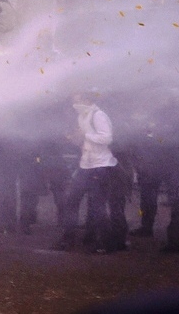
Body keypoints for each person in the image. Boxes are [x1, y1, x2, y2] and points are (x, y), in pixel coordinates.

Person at [55, 92, 124, 253]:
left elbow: (106, 138)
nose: (74, 103)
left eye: (77, 99)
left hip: (100, 166)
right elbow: (85, 139)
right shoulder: (82, 117)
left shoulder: (98, 116)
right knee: (72, 201)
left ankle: (105, 243)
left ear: (87, 100)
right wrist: (75, 139)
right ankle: (69, 237)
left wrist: (85, 135)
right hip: (85, 164)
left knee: (97, 206)